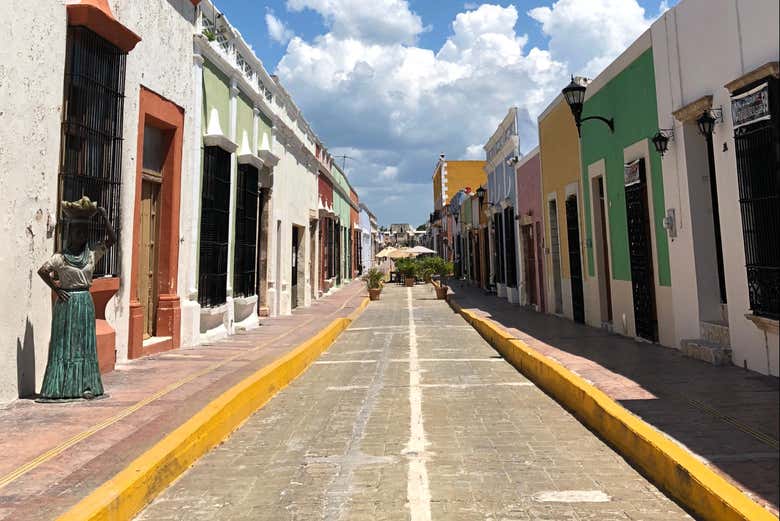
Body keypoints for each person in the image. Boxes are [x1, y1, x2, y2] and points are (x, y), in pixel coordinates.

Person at [37, 198, 116, 401]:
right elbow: (43, 271)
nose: (81, 235)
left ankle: (86, 386)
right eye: (77, 231)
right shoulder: (60, 257)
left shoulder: (91, 255)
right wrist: (56, 288)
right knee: (64, 346)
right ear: (70, 233)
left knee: (84, 345)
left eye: (84, 232)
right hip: (67, 304)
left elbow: (112, 239)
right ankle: (59, 388)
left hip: (85, 303)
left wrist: (104, 217)